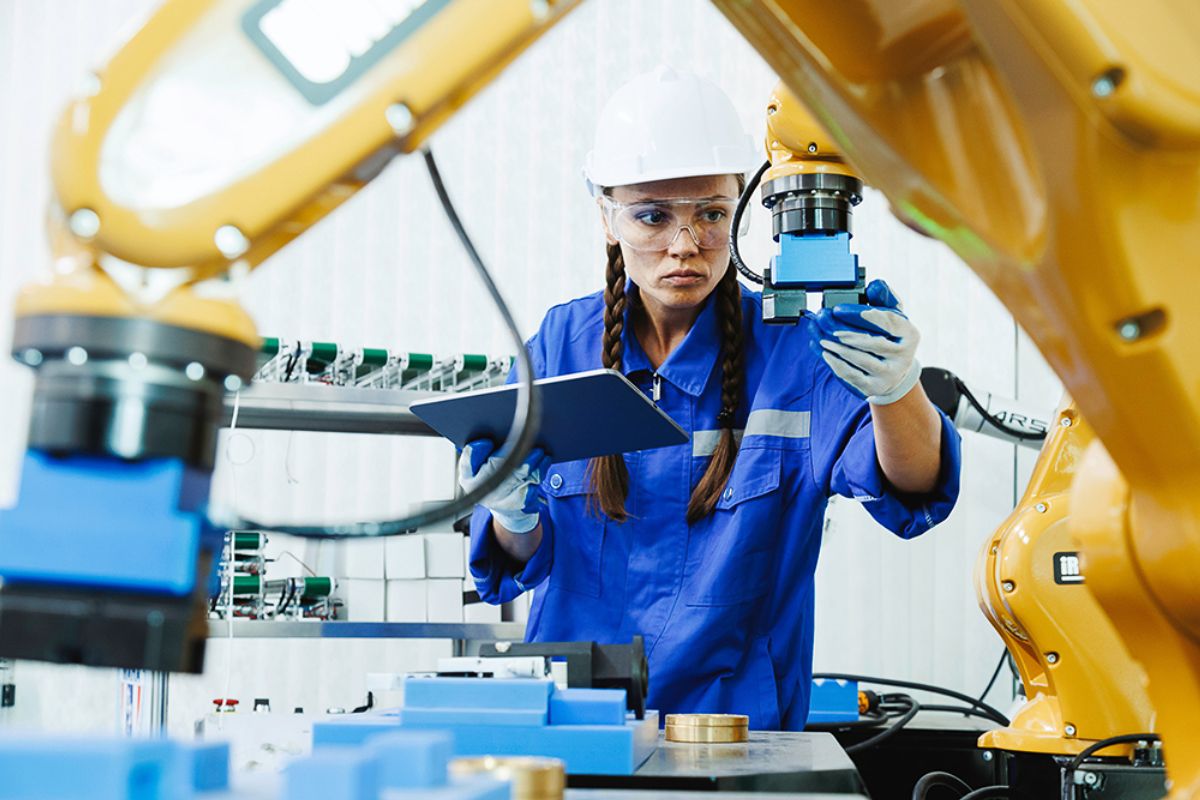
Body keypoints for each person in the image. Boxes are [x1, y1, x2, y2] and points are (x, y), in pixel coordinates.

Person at [460, 66, 962, 731]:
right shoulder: (562, 345)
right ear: (607, 216)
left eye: (711, 215)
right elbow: (520, 564)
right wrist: (511, 519)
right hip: (577, 731)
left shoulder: (793, 354)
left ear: (739, 210)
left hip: (735, 741)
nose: (684, 245)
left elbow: (914, 485)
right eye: (652, 216)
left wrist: (898, 390)